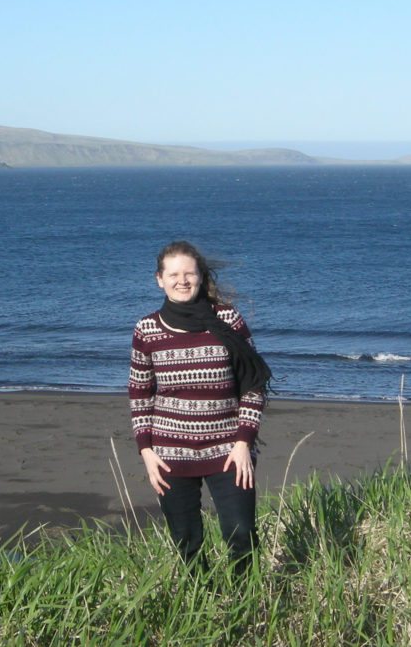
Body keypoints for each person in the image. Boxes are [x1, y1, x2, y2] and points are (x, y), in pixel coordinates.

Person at [129, 240, 271, 576]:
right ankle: (199, 607)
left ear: (200, 276)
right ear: (159, 279)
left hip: (228, 450)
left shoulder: (227, 320)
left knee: (241, 535)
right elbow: (140, 393)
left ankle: (244, 607)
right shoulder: (146, 330)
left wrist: (243, 443)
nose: (182, 280)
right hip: (169, 453)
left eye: (189, 273)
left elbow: (253, 384)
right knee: (187, 542)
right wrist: (146, 451)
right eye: (173, 274)